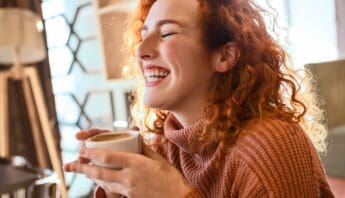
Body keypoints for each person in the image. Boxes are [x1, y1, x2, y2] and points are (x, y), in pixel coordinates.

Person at [64, 0, 335, 197]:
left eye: (167, 33)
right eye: (143, 35)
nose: (141, 51)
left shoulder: (272, 148)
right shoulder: (164, 146)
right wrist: (119, 188)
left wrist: (174, 194)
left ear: (224, 56)